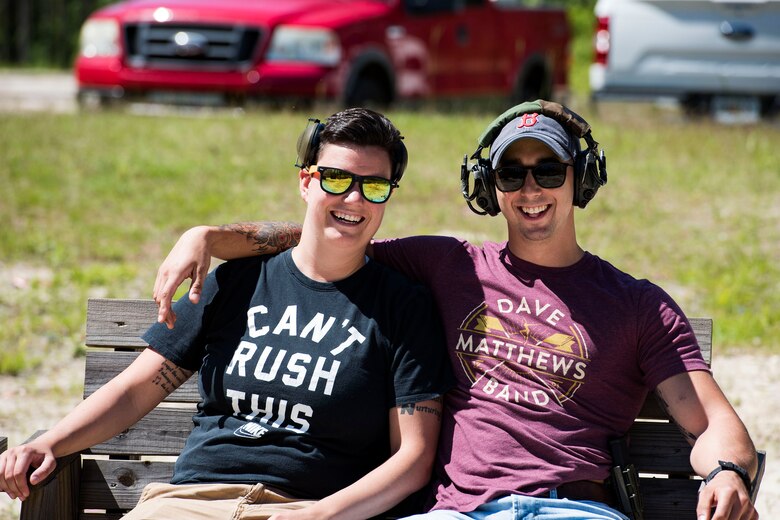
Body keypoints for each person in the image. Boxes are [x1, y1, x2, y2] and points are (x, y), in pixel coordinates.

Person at [148, 100, 759, 520]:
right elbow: (335, 231)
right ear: (487, 187)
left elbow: (710, 423)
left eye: (548, 169)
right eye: (510, 173)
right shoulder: (448, 265)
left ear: (582, 180)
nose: (530, 189)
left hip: (572, 507)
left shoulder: (637, 304)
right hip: (456, 510)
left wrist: (727, 470)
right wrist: (210, 236)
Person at [0, 108, 453, 520]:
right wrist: (48, 442)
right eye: (336, 179)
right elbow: (135, 390)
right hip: (191, 504)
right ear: (305, 182)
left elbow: (412, 458)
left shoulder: (401, 306)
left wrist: (321, 516)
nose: (354, 199)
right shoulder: (237, 282)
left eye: (374, 186)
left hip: (310, 509)